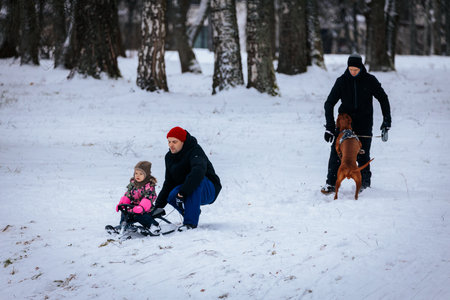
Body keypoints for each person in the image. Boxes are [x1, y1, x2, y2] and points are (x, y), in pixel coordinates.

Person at [321, 53, 391, 194]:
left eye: (356, 70)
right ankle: (331, 184)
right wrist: (329, 127)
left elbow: (383, 98)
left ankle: (364, 185)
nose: (353, 72)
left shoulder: (370, 80)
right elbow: (329, 103)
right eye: (351, 69)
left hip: (364, 124)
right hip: (345, 125)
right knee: (336, 153)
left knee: (362, 154)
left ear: (361, 68)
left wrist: (386, 121)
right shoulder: (342, 81)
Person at [153, 126, 222, 230]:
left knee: (195, 180)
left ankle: (190, 223)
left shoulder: (195, 151)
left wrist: (183, 192)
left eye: (174, 142)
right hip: (188, 187)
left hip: (209, 189)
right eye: (169, 142)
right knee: (172, 196)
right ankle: (192, 211)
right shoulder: (169, 157)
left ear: (183, 141)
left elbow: (198, 172)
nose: (171, 145)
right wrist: (158, 206)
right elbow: (169, 182)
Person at [115, 161, 159, 230]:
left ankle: (153, 226)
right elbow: (128, 194)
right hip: (134, 206)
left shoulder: (149, 186)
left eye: (141, 174)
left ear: (146, 175)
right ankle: (123, 225)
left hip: (146, 208)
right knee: (125, 212)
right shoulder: (133, 184)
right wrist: (122, 204)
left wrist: (141, 207)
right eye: (136, 173)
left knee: (140, 215)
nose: (137, 176)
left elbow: (149, 197)